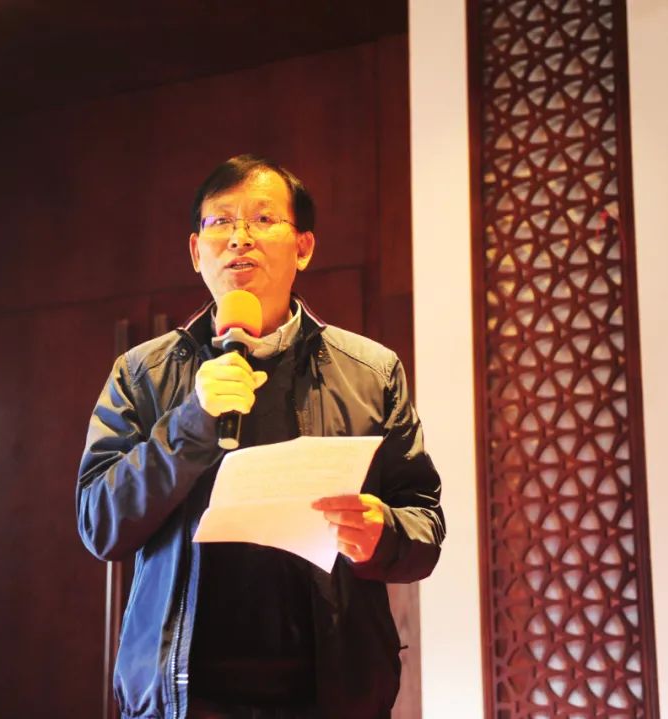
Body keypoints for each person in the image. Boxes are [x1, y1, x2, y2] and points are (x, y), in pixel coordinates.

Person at [76, 155, 445, 719]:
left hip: (330, 697)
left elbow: (424, 522)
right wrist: (192, 423)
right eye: (220, 221)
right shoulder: (142, 374)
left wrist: (385, 533)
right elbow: (100, 524)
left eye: (263, 219)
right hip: (181, 698)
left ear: (304, 247)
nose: (239, 238)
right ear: (196, 252)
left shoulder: (371, 373)